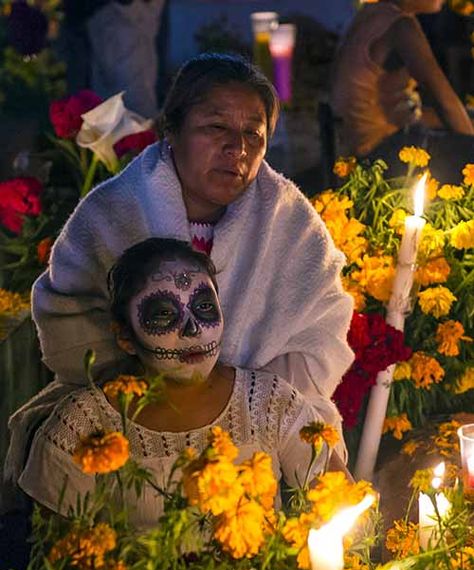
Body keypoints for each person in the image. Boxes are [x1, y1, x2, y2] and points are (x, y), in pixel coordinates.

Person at [4, 53, 353, 491]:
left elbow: (319, 337)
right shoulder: (112, 210)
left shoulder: (292, 224)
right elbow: (68, 323)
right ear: (172, 130)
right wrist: (164, 393)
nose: (237, 149)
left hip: (256, 423)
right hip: (131, 412)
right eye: (216, 127)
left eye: (253, 134)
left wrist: (236, 398)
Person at [18, 239, 345, 528]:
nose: (193, 331)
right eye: (163, 314)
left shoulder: (269, 402)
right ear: (124, 336)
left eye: (204, 307)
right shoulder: (83, 425)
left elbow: (342, 505)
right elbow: (57, 566)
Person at [331, 0, 474, 182]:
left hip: (363, 143)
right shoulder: (400, 26)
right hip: (377, 155)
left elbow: (397, 108)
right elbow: (445, 103)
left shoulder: (374, 13)